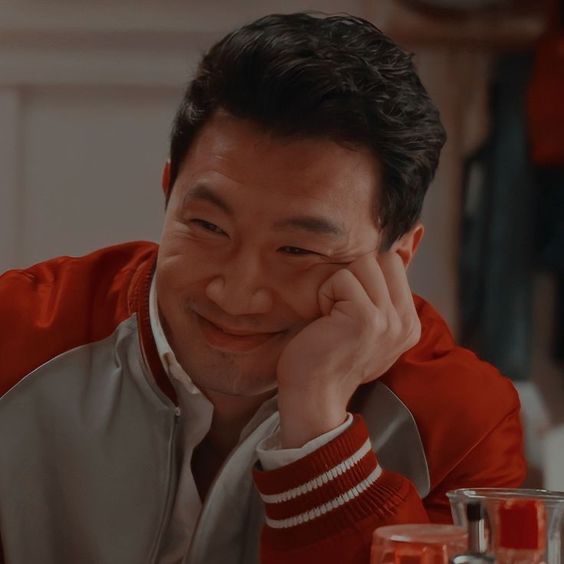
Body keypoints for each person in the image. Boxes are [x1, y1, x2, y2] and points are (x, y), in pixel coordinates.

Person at [0, 12, 526, 564]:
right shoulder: (17, 337)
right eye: (208, 227)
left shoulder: (461, 428)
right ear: (168, 192)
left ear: (398, 257)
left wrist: (319, 432)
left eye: (298, 251)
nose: (236, 294)